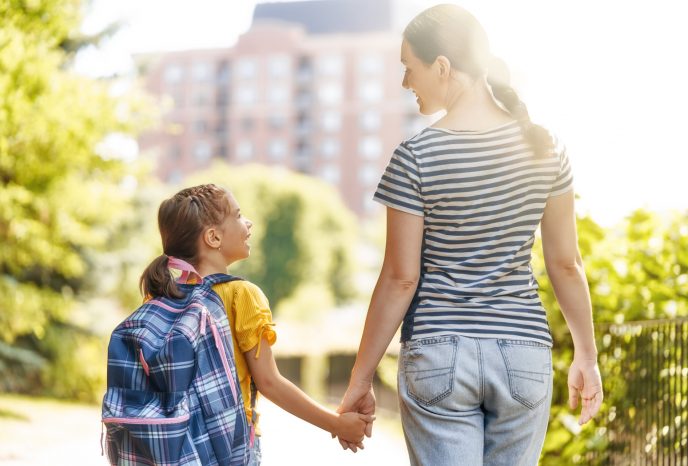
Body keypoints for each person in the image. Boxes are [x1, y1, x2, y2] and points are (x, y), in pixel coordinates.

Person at [337, 4, 603, 465]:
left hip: (440, 354)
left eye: (409, 68)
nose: (405, 83)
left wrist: (360, 380)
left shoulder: (416, 156)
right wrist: (587, 355)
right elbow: (565, 264)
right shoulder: (545, 148)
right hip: (523, 354)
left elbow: (401, 279)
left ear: (442, 66)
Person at [141, 184, 372, 465]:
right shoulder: (241, 295)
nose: (248, 222)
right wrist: (336, 424)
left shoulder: (160, 296)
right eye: (238, 216)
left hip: (171, 445)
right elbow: (270, 382)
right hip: (226, 446)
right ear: (213, 237)